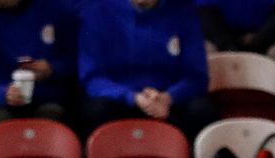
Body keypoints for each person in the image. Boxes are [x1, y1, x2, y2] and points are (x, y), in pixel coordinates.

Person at [78, 0, 219, 140]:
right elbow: (93, 77)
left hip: (169, 99)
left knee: (201, 111)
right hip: (120, 99)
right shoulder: (98, 12)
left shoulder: (184, 13)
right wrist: (132, 97)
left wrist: (169, 97)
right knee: (95, 110)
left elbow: (197, 76)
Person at [0, 0, 81, 134]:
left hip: (49, 98)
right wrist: (3, 93)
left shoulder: (57, 12)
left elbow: (78, 60)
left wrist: (52, 69)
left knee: (52, 120)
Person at [196, 0, 275, 58]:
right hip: (221, 38)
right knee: (204, 54)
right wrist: (228, 46)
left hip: (266, 39)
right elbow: (207, 14)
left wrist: (257, 44)